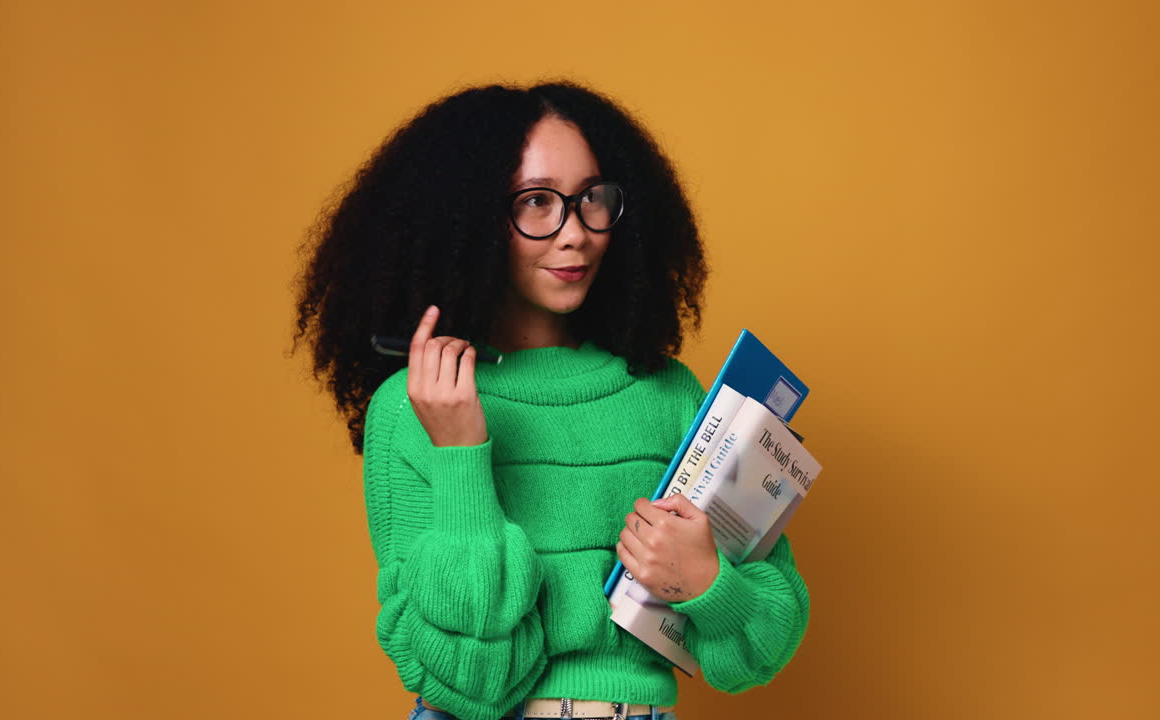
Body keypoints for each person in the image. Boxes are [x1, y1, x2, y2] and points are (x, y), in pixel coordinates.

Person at [291, 81, 810, 720]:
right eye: (536, 202)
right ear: (469, 222)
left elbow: (764, 646)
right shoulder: (413, 407)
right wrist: (461, 458)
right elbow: (472, 682)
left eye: (592, 199)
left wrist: (706, 584)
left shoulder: (667, 392)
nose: (576, 233)